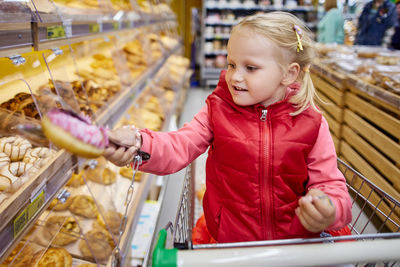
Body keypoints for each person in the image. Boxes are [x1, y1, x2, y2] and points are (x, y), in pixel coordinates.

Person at [105, 12, 352, 243]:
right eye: (232, 64)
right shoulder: (218, 109)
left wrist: (328, 207)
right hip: (231, 241)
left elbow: (329, 182)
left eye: (250, 68)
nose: (234, 76)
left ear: (289, 74)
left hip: (292, 244)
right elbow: (180, 144)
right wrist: (140, 144)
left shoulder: (311, 122)